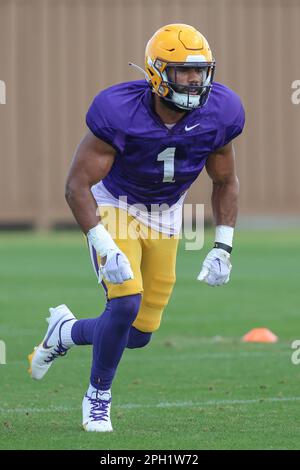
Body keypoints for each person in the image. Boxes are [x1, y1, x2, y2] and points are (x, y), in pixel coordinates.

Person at [28, 23, 245, 432]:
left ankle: (66, 332)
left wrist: (223, 245)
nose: (195, 79)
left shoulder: (221, 112)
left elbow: (225, 181)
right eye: (183, 71)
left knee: (141, 332)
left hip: (166, 213)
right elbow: (77, 185)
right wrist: (102, 242)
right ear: (156, 73)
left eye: (200, 70)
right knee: (124, 301)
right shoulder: (119, 112)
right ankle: (98, 398)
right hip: (116, 204)